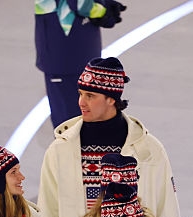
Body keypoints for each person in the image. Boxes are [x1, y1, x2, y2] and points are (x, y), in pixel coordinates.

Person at [38, 57, 182, 217]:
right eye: (80, 94)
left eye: (90, 95)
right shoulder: (59, 152)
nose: (81, 102)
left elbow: (168, 216)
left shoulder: (148, 151)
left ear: (111, 98)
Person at [34, 0, 126, 129]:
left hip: (66, 53)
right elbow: (79, 4)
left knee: (73, 122)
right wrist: (103, 11)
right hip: (67, 52)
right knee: (74, 122)